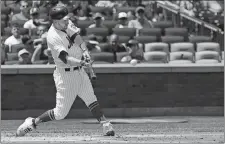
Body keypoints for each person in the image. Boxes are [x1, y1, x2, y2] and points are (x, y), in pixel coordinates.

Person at [16, 5, 115, 137]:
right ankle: (32, 122)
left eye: (67, 19)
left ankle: (105, 125)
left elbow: (77, 38)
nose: (67, 22)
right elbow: (65, 58)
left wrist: (84, 51)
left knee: (91, 99)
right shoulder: (53, 36)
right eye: (64, 20)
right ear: (55, 22)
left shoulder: (66, 23)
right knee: (60, 114)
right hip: (65, 75)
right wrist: (82, 62)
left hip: (79, 71)